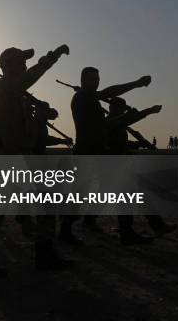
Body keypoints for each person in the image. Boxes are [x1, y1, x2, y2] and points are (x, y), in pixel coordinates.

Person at [0, 45, 71, 275]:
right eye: (21, 61)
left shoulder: (16, 94)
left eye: (25, 61)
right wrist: (51, 57)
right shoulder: (2, 86)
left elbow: (27, 123)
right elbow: (27, 80)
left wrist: (42, 114)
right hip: (5, 156)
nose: (25, 65)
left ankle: (45, 253)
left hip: (22, 156)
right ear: (9, 66)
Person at [60, 67, 153, 242]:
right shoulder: (83, 97)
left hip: (96, 152)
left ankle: (123, 231)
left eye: (97, 78)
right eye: (92, 78)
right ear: (83, 80)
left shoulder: (90, 99)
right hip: (88, 153)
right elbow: (109, 96)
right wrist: (137, 84)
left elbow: (103, 123)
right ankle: (67, 229)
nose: (96, 81)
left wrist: (126, 118)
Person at [106, 98, 176, 243]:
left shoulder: (117, 123)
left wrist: (138, 144)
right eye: (119, 108)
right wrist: (149, 111)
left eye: (123, 109)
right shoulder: (110, 123)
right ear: (112, 108)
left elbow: (121, 142)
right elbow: (114, 144)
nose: (122, 111)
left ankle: (151, 227)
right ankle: (130, 232)